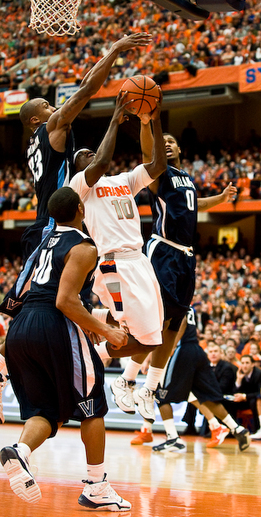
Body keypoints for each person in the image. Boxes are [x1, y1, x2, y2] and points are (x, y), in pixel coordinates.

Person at [0, 32, 152, 425]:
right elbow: (85, 89)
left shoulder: (39, 144)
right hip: (55, 228)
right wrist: (114, 51)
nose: (56, 107)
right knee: (49, 307)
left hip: (46, 227)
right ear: (37, 118)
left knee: (41, 309)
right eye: (49, 105)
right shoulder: (50, 130)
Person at [0, 186, 131, 509]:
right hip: (53, 326)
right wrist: (105, 330)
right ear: (80, 211)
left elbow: (39, 291)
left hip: (21, 327)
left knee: (46, 411)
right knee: (92, 403)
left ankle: (21, 451)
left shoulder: (44, 242)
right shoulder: (84, 247)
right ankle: (96, 485)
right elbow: (65, 301)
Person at [111, 118, 237, 423]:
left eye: (171, 141)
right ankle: (126, 379)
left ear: (179, 148)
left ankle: (149, 388)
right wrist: (148, 123)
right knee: (158, 319)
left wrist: (220, 199)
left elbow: (195, 206)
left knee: (174, 324)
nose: (166, 144)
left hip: (186, 257)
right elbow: (146, 155)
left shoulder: (186, 178)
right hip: (164, 250)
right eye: (161, 141)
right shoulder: (159, 174)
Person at [70, 88, 168, 414]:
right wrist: (114, 119)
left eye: (90, 152)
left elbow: (157, 165)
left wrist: (154, 119)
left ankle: (95, 345)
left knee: (153, 336)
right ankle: (104, 364)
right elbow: (101, 161)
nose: (90, 154)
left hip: (139, 260)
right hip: (114, 263)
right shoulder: (81, 185)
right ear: (78, 165)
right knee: (139, 336)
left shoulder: (125, 180)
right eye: (84, 153)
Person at [145, 308, 250, 452]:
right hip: (197, 349)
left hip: (183, 351)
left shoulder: (174, 300)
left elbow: (181, 320)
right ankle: (236, 428)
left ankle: (172, 438)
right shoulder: (188, 303)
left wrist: (172, 345)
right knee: (207, 397)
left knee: (161, 395)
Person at [226, 355, 261, 439]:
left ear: (252, 364)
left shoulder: (258, 374)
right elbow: (234, 392)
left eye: (247, 363)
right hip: (243, 401)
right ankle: (232, 430)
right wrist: (238, 380)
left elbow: (259, 393)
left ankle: (257, 430)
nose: (244, 365)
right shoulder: (239, 373)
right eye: (242, 363)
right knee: (230, 402)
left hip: (254, 400)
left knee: (254, 402)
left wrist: (245, 396)